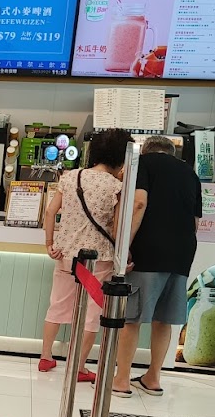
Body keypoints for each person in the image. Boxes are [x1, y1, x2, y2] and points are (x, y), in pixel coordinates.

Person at [39, 127, 144, 382]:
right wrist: (125, 255)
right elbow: (117, 227)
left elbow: (50, 212)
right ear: (121, 157)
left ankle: (45, 356)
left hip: (66, 254)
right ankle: (78, 366)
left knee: (58, 304)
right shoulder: (117, 186)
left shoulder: (71, 177)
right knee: (92, 314)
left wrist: (50, 243)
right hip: (99, 258)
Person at [111, 135, 202, 398]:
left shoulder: (142, 164)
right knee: (164, 319)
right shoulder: (190, 173)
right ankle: (153, 377)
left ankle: (122, 379)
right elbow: (196, 222)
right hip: (182, 253)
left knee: (132, 318)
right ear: (171, 153)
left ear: (147, 151)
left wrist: (124, 245)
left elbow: (139, 203)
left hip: (148, 250)